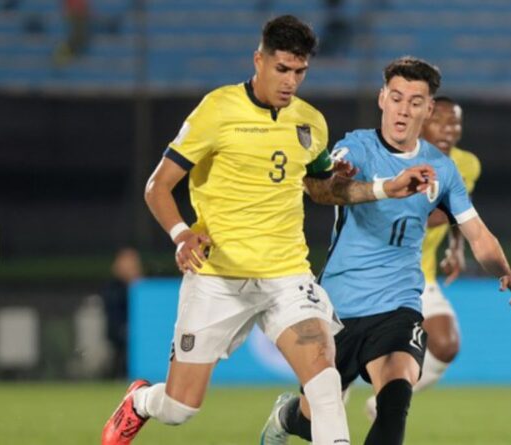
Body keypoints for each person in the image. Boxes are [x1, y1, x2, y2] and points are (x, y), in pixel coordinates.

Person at [100, 16, 433, 445]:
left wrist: (341, 178)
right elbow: (157, 186)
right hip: (217, 275)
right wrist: (182, 234)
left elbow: (319, 188)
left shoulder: (311, 122)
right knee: (180, 407)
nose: (291, 81)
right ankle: (142, 402)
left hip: (286, 276)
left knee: (325, 378)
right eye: (282, 69)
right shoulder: (217, 110)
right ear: (259, 60)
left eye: (300, 72)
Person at [260, 56, 511, 445]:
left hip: (400, 304)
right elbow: (325, 188)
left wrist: (504, 270)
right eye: (397, 97)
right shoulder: (355, 148)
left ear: (427, 108)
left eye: (415, 101)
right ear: (382, 98)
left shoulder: (443, 169)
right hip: (339, 306)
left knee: (394, 400)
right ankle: (288, 416)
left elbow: (477, 232)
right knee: (312, 417)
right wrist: (352, 180)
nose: (404, 109)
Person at [361, 96, 480, 418]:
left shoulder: (466, 163)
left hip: (418, 274)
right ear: (421, 120)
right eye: (440, 120)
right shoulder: (392, 158)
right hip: (368, 272)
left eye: (455, 122)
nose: (449, 129)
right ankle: (304, 418)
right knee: (339, 365)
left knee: (445, 344)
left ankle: (383, 401)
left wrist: (457, 247)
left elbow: (458, 209)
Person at [100, 247, 143, 379]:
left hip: (139, 332)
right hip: (118, 331)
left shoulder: (142, 287)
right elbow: (112, 307)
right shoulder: (112, 287)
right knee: (120, 356)